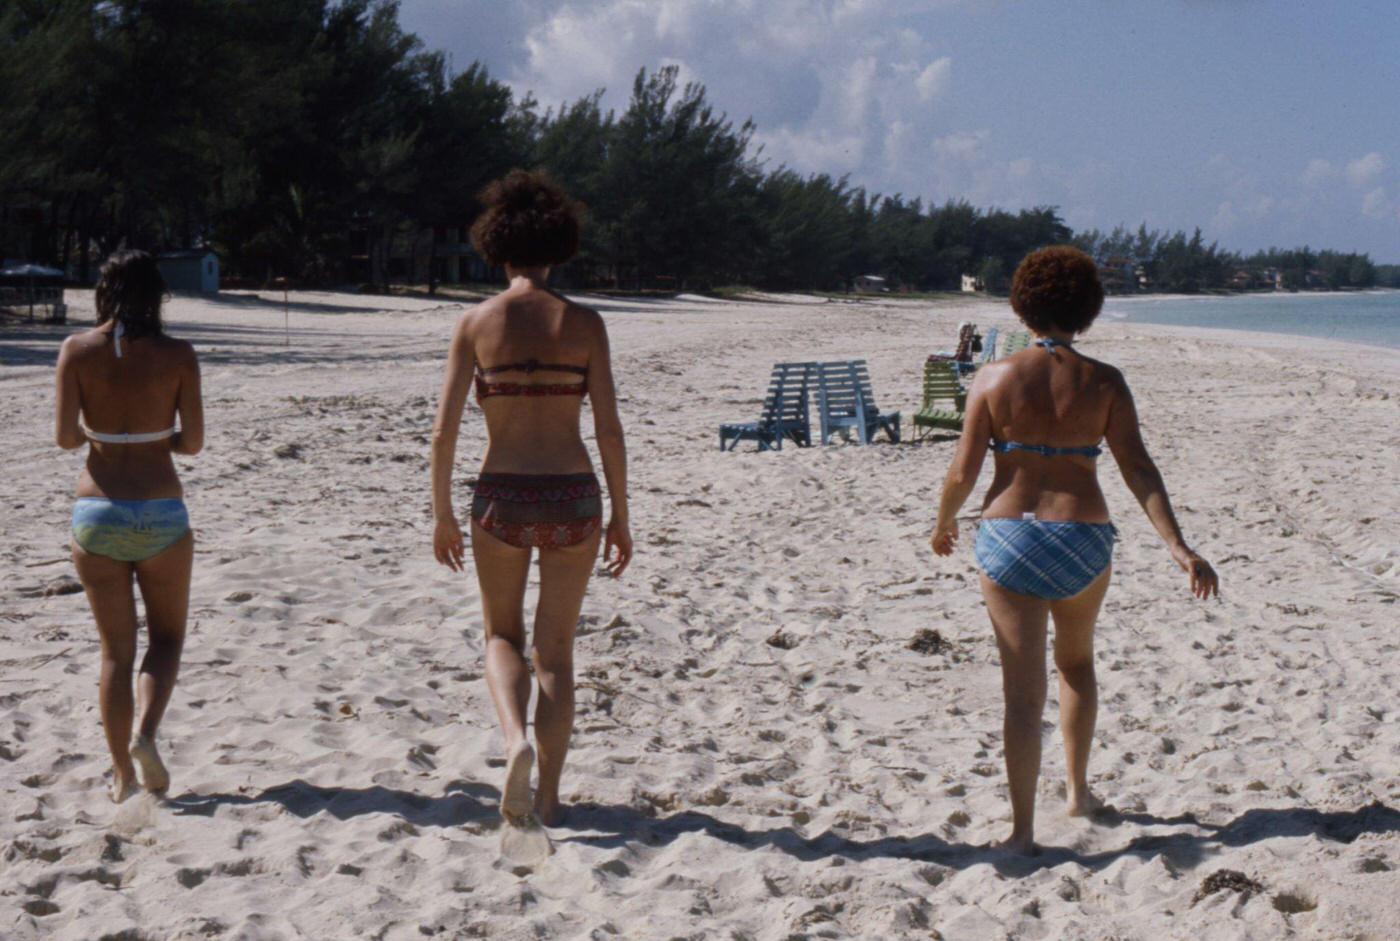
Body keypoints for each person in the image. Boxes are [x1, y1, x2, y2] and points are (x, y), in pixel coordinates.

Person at [931, 245, 1218, 854]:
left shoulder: (993, 377)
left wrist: (943, 522)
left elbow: (962, 471)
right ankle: (1079, 795)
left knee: (1021, 691)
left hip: (1010, 536)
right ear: (1088, 307)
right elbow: (1138, 468)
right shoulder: (1104, 381)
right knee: (1077, 665)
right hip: (1084, 536)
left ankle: (1022, 833)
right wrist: (1178, 546)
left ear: (1023, 304)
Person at [430, 170, 632, 828]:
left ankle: (515, 738)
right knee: (558, 651)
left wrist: (440, 514)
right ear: (558, 245)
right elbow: (607, 428)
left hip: (502, 495)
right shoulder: (585, 324)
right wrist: (622, 515)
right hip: (574, 495)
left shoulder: (476, 323)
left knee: (501, 634)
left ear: (497, 245)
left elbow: (445, 430)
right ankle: (547, 798)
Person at [54, 250, 204, 802]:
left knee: (115, 651)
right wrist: (151, 437)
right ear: (157, 294)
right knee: (166, 638)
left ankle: (120, 776)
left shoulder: (76, 349)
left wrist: (109, 437)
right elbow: (192, 443)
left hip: (96, 511)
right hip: (161, 509)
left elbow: (67, 438)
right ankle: (146, 733)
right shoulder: (178, 354)